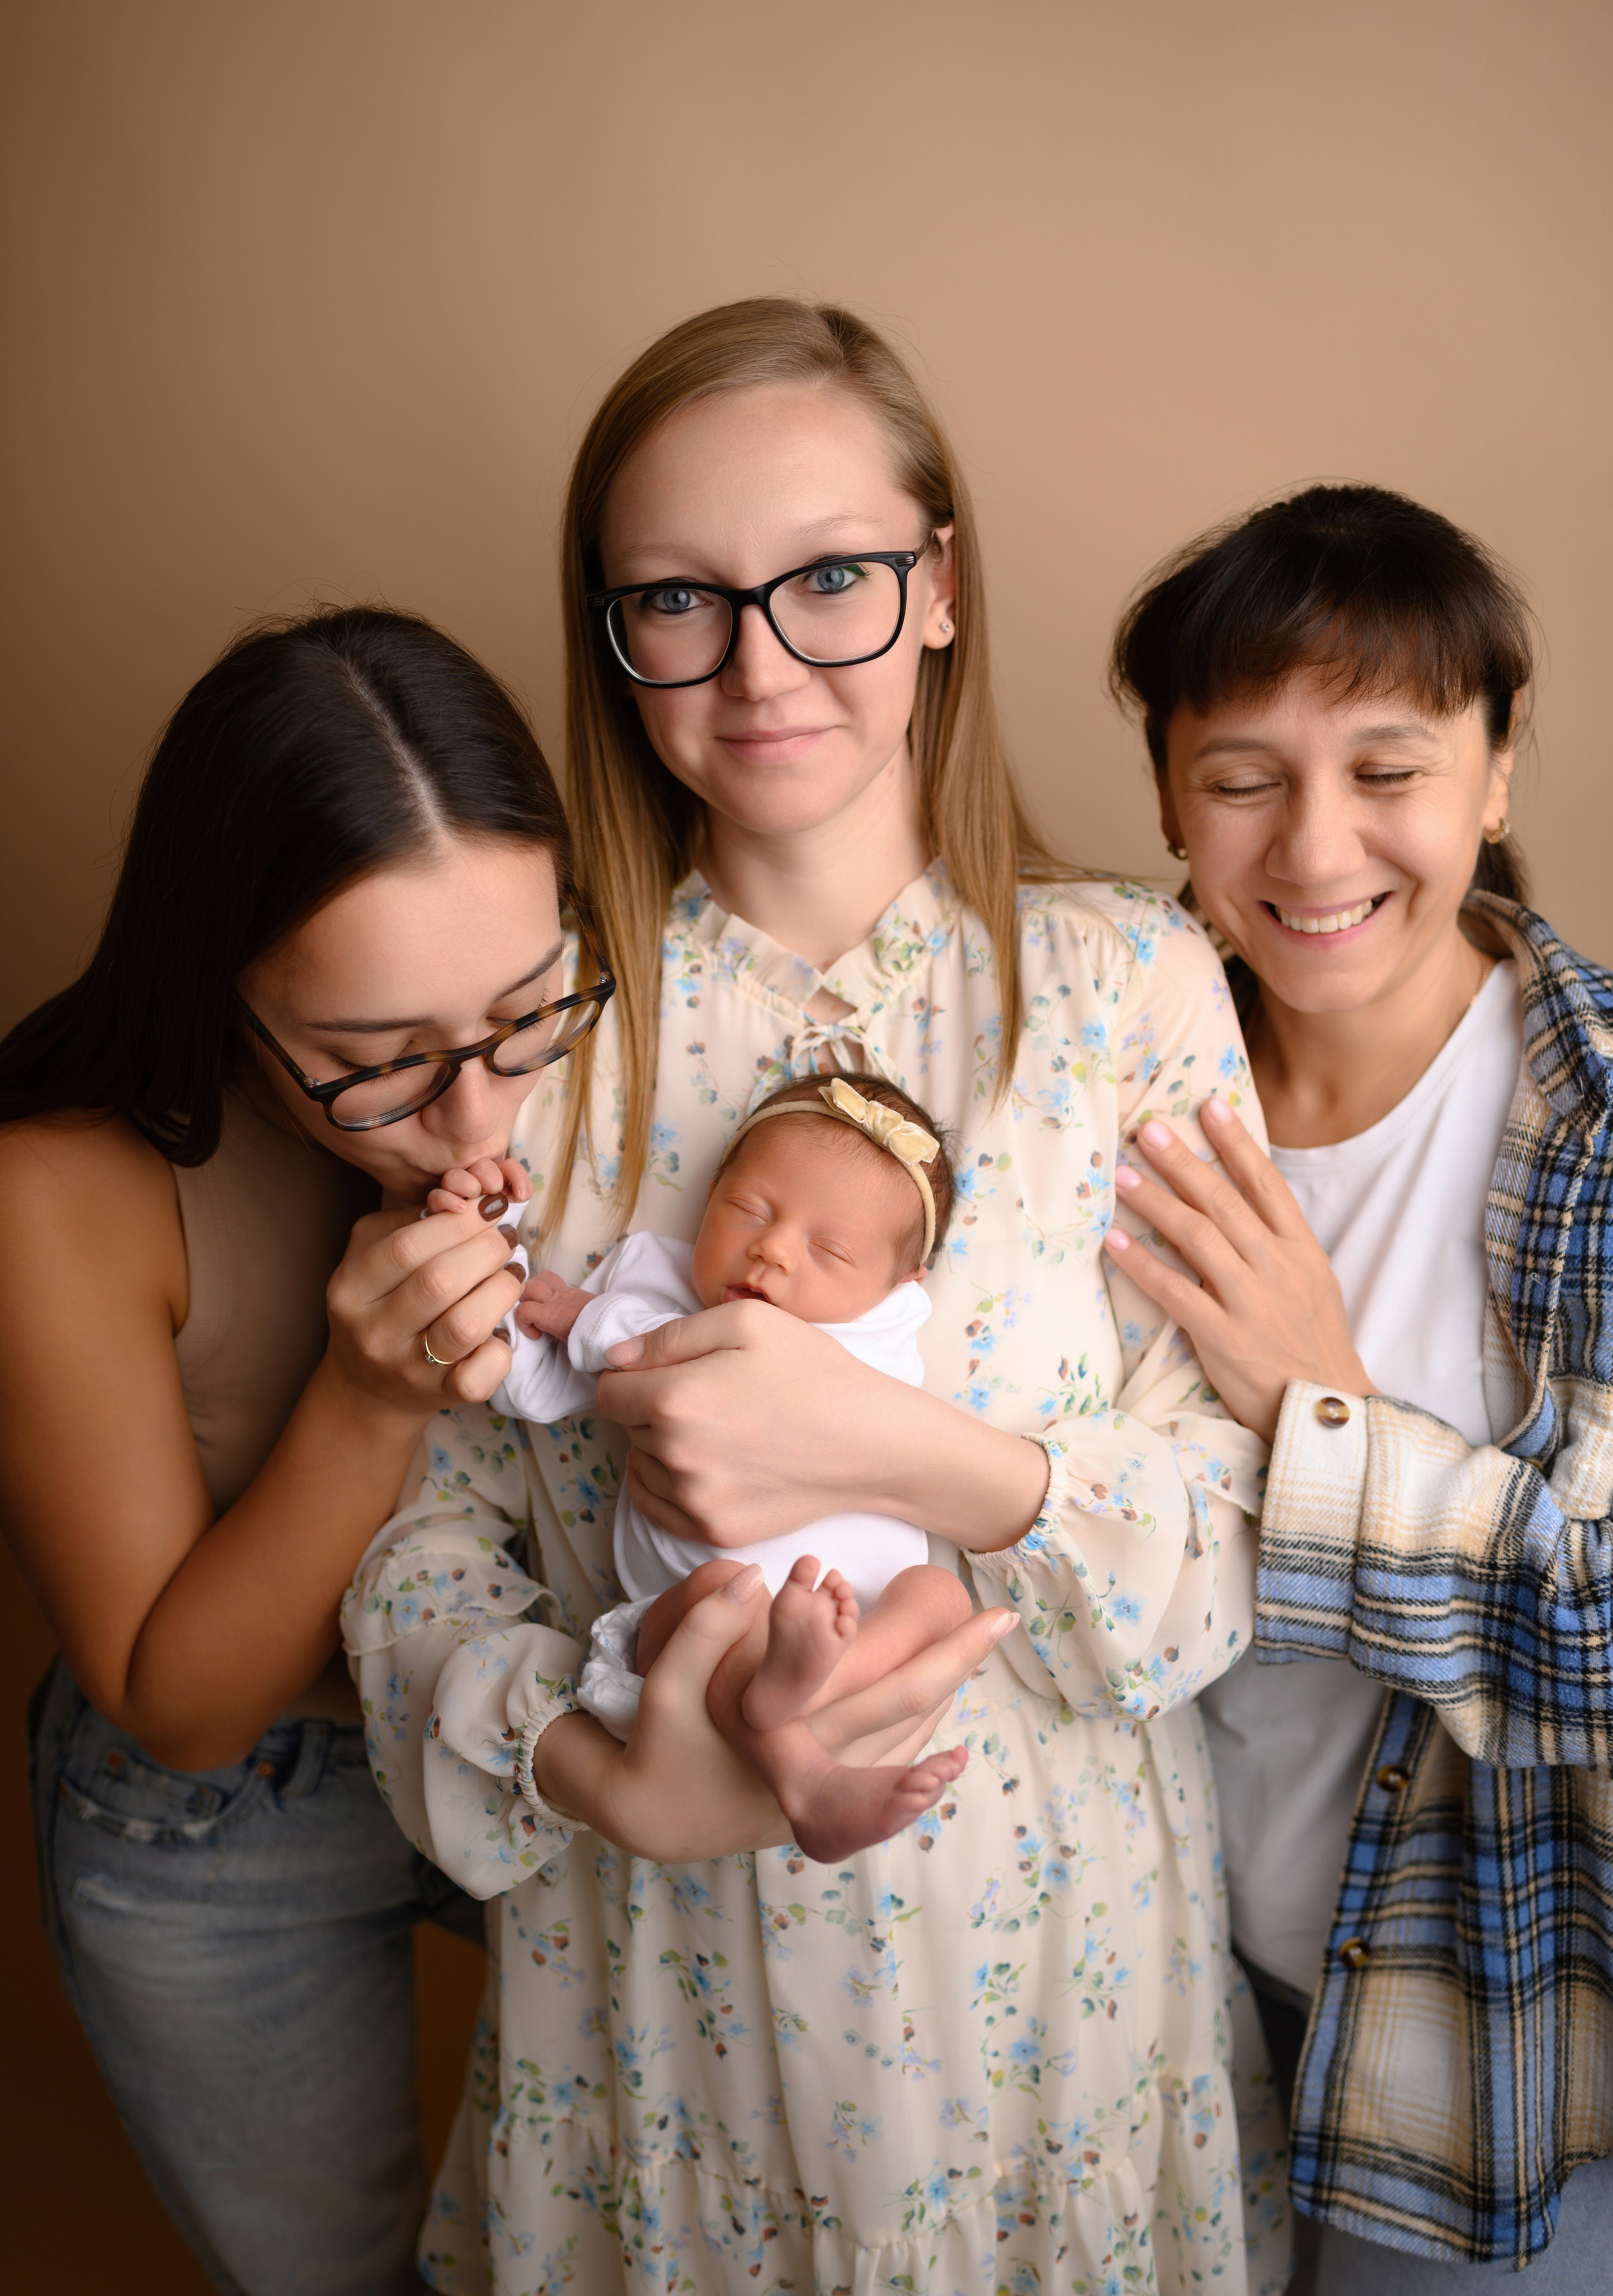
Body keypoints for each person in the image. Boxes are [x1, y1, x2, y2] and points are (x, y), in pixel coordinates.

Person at [340, 298, 1289, 2295]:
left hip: (1055, 1991)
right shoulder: (539, 1029)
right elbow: (412, 1544)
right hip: (659, 1996)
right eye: (677, 599)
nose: (759, 660)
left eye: (831, 580)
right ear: (611, 632)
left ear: (937, 587)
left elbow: (1236, 1503)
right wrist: (602, 1765)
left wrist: (913, 1454)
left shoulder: (1126, 987)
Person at [1, 603, 625, 2295]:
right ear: (224, 988)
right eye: (374, 1066)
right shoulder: (61, 1188)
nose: (480, 1113)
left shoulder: (624, 1034)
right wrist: (367, 1395)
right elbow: (179, 1704)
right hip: (233, 1812)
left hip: (542, 1718)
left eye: (524, 1012)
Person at [1104, 483, 1613, 2290]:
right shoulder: (1101, 1082)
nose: (1317, 849)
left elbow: (1604, 1636)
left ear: (1495, 772)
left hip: (1469, 2041)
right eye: (1245, 777)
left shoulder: (1596, 1127)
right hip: (1145, 2004)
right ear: (1169, 793)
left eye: (1388, 768)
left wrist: (1324, 1420)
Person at [480, 1069, 984, 1860]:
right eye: (748, 1208)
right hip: (688, 1643)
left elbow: (733, 1369)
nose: (772, 1249)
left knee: (940, 1594)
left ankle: (813, 1675)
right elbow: (530, 1389)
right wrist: (491, 1242)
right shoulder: (651, 1279)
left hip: (861, 1644)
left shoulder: (876, 1336)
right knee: (726, 1598)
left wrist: (595, 1323)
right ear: (712, 1193)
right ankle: (797, 1749)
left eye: (830, 1249)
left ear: (899, 1286)